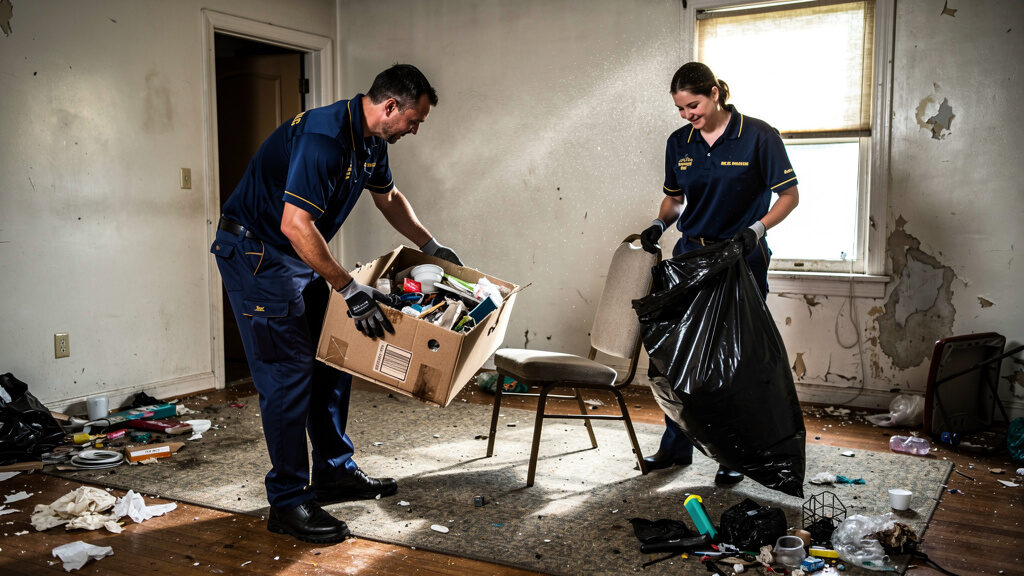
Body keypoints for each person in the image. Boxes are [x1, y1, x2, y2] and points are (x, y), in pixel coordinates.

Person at [210, 64, 462, 543]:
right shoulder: (325, 138)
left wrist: (431, 246)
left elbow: (388, 198)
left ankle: (333, 472)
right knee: (288, 375)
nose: (414, 130)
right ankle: (287, 503)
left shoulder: (371, 142)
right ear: (390, 106)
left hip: (295, 255)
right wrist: (348, 289)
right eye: (414, 120)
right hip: (258, 255)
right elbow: (295, 225)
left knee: (333, 358)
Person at [638, 62, 799, 485]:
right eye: (680, 109)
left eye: (693, 105)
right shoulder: (680, 143)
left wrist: (756, 230)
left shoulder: (758, 135)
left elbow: (789, 196)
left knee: (734, 363)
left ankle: (734, 455)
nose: (687, 114)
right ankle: (676, 446)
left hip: (741, 259)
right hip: (692, 259)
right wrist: (658, 225)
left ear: (714, 93)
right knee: (678, 357)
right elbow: (674, 202)